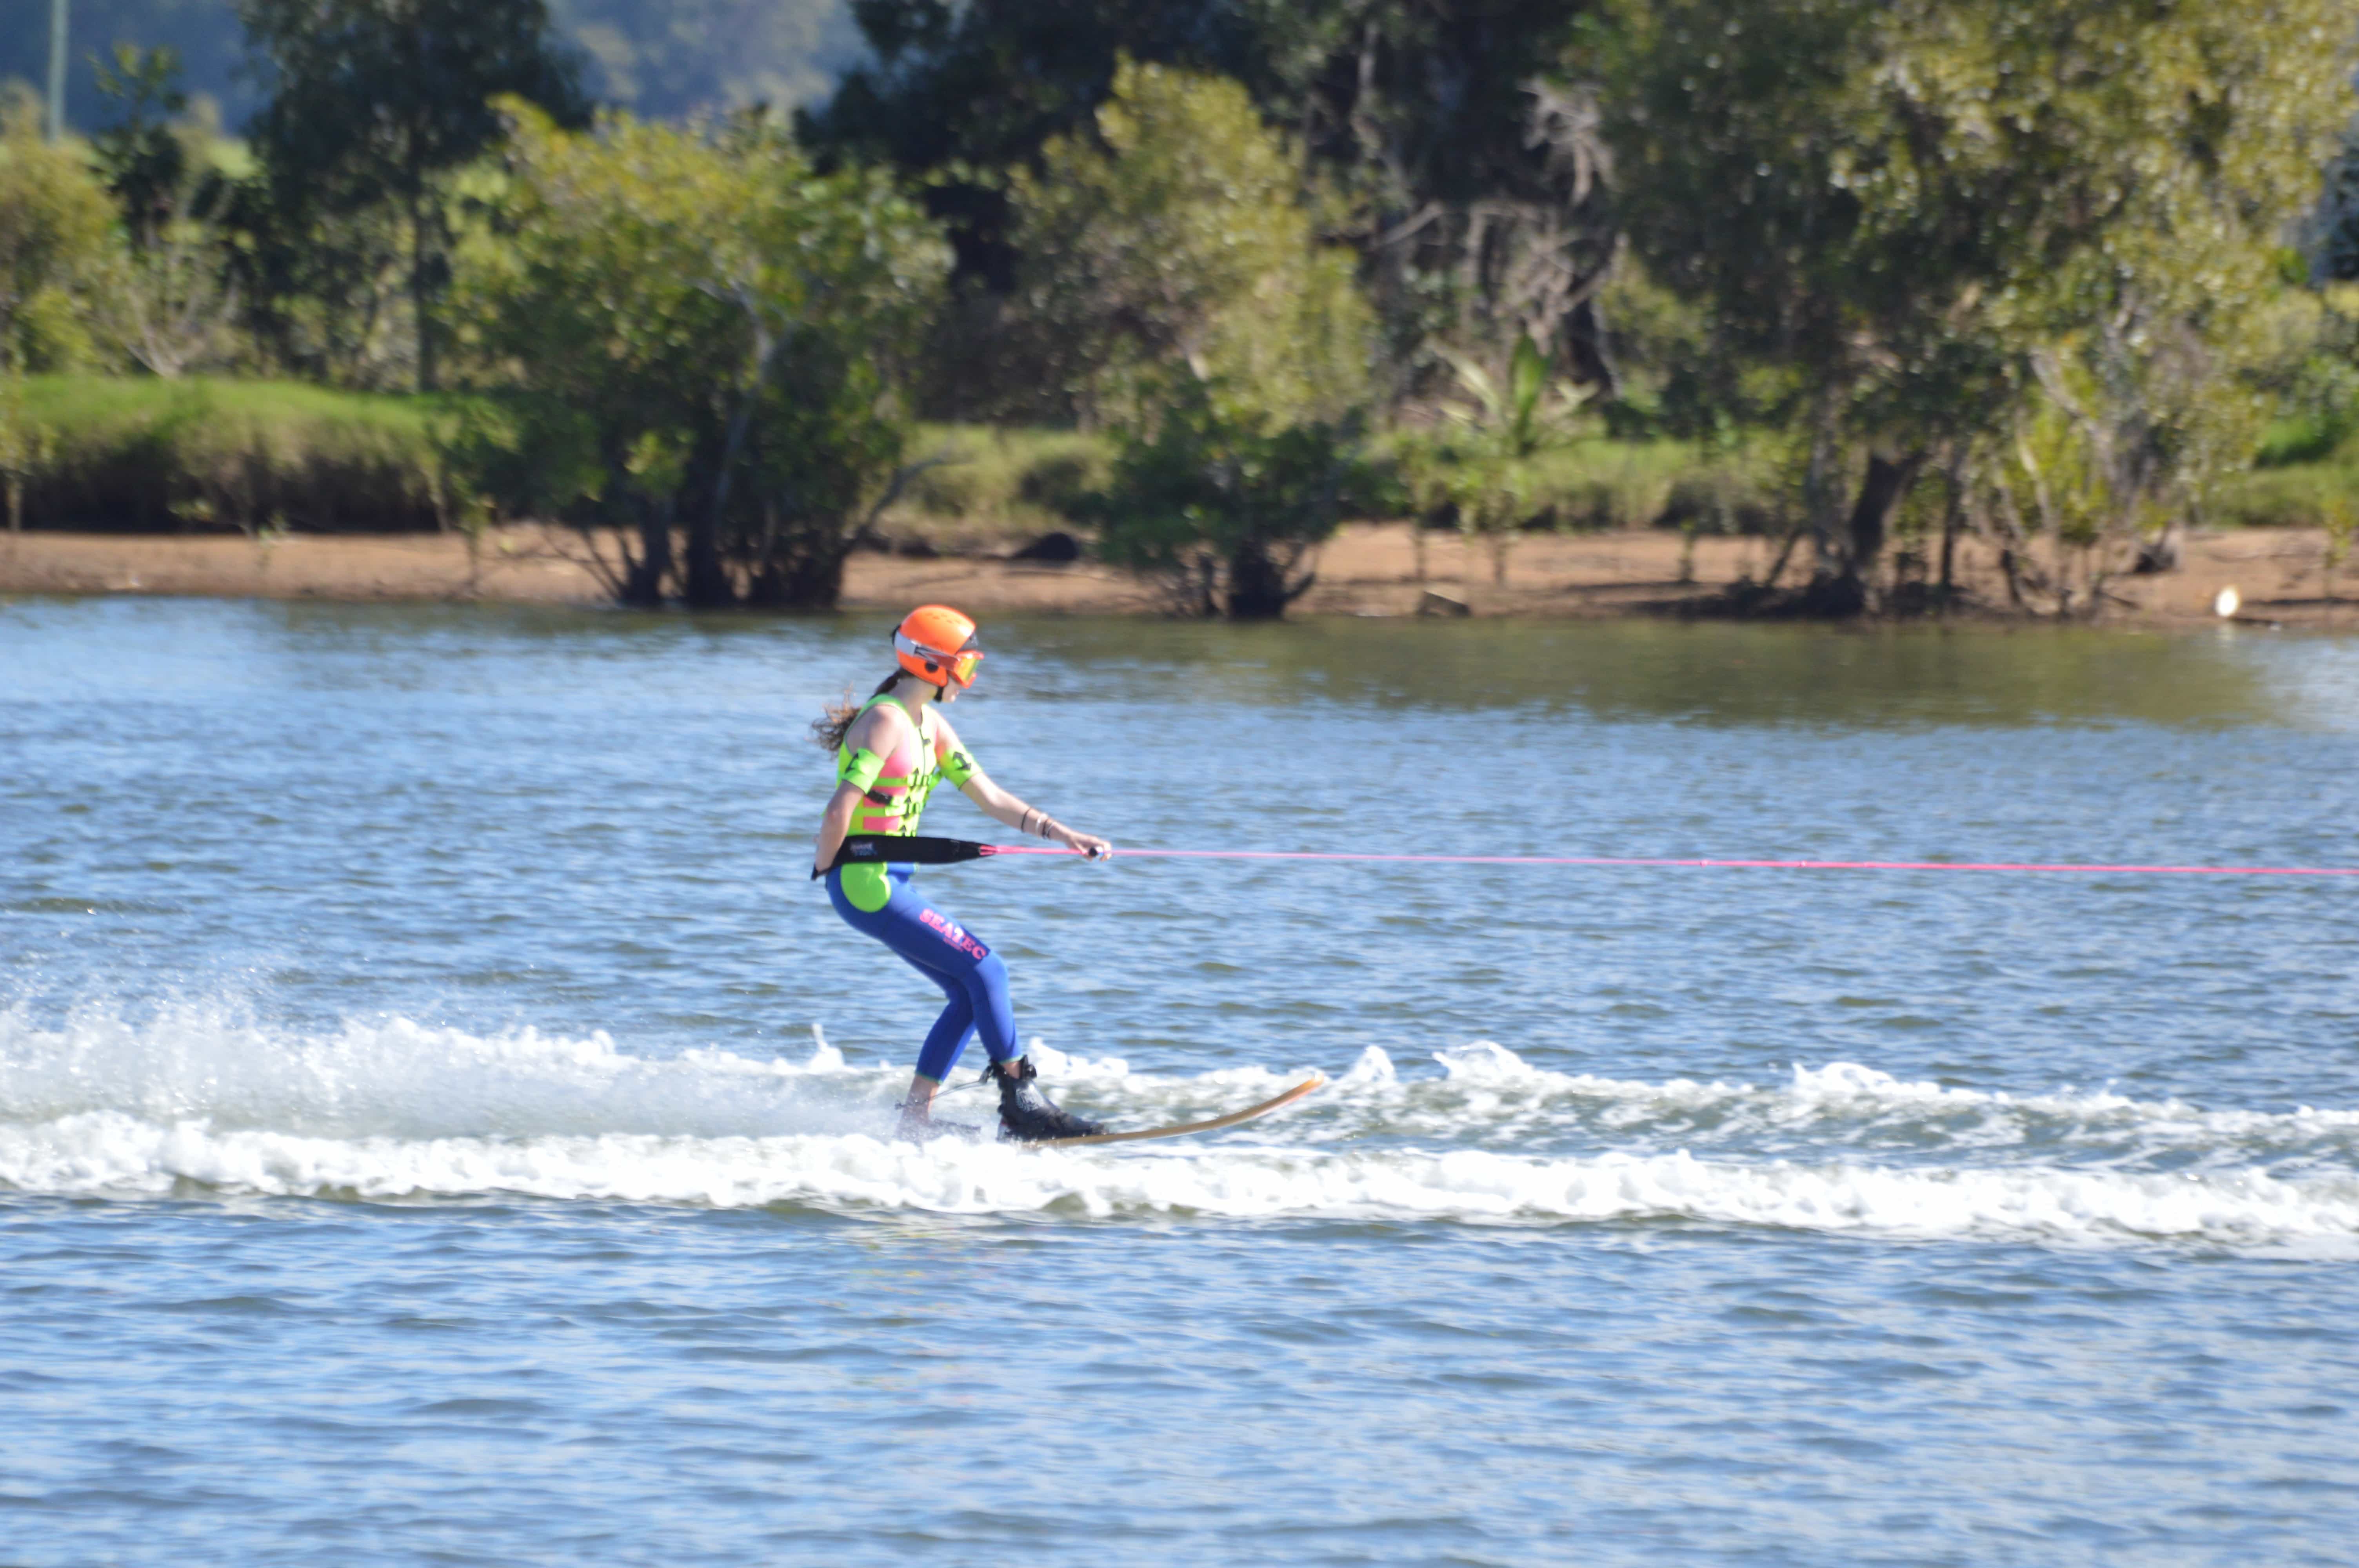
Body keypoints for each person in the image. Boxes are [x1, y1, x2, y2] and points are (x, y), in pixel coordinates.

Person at [811, 605, 1113, 1141]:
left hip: (887, 881)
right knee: (988, 971)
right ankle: (1022, 1103)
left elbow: (991, 797)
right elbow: (840, 810)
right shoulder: (886, 721)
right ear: (932, 665)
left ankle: (915, 1120)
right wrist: (828, 871)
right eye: (966, 668)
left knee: (969, 993)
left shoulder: (931, 726)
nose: (969, 681)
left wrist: (1065, 834)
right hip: (867, 884)